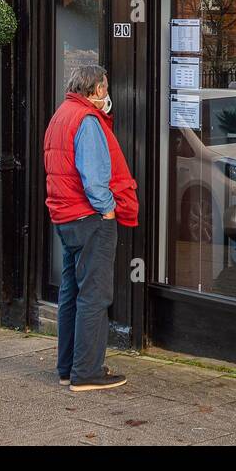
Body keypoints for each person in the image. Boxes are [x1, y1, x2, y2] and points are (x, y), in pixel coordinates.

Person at [42, 64, 139, 392]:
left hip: (64, 216)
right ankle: (87, 372)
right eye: (105, 88)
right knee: (95, 295)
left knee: (71, 291)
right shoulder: (87, 121)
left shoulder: (61, 115)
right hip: (89, 218)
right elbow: (94, 179)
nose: (107, 94)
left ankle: (68, 367)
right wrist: (109, 210)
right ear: (95, 90)